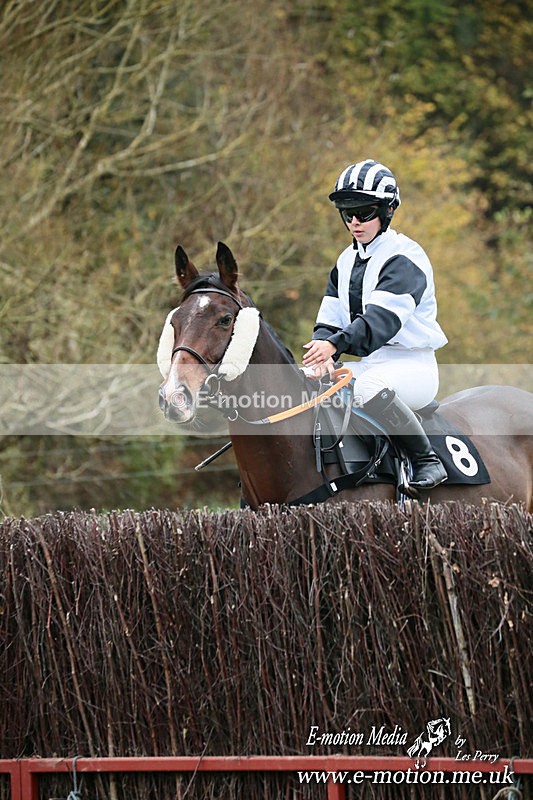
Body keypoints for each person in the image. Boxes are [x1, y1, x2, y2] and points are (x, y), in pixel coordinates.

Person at [302, 158, 448, 490]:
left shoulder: (405, 258)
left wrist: (335, 346)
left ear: (387, 211)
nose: (354, 222)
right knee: (303, 384)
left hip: (413, 367)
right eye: (347, 214)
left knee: (367, 389)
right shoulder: (344, 260)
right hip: (372, 365)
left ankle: (428, 461)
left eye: (364, 212)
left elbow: (379, 324)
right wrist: (322, 355)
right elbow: (329, 318)